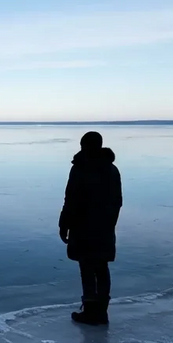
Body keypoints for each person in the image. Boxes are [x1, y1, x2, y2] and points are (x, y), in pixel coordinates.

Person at [59, 131, 123, 326]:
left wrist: (64, 223)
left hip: (84, 227)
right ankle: (101, 312)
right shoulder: (112, 169)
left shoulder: (81, 168)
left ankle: (91, 312)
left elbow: (71, 199)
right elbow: (117, 202)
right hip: (103, 228)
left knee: (87, 268)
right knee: (101, 268)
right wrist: (110, 223)